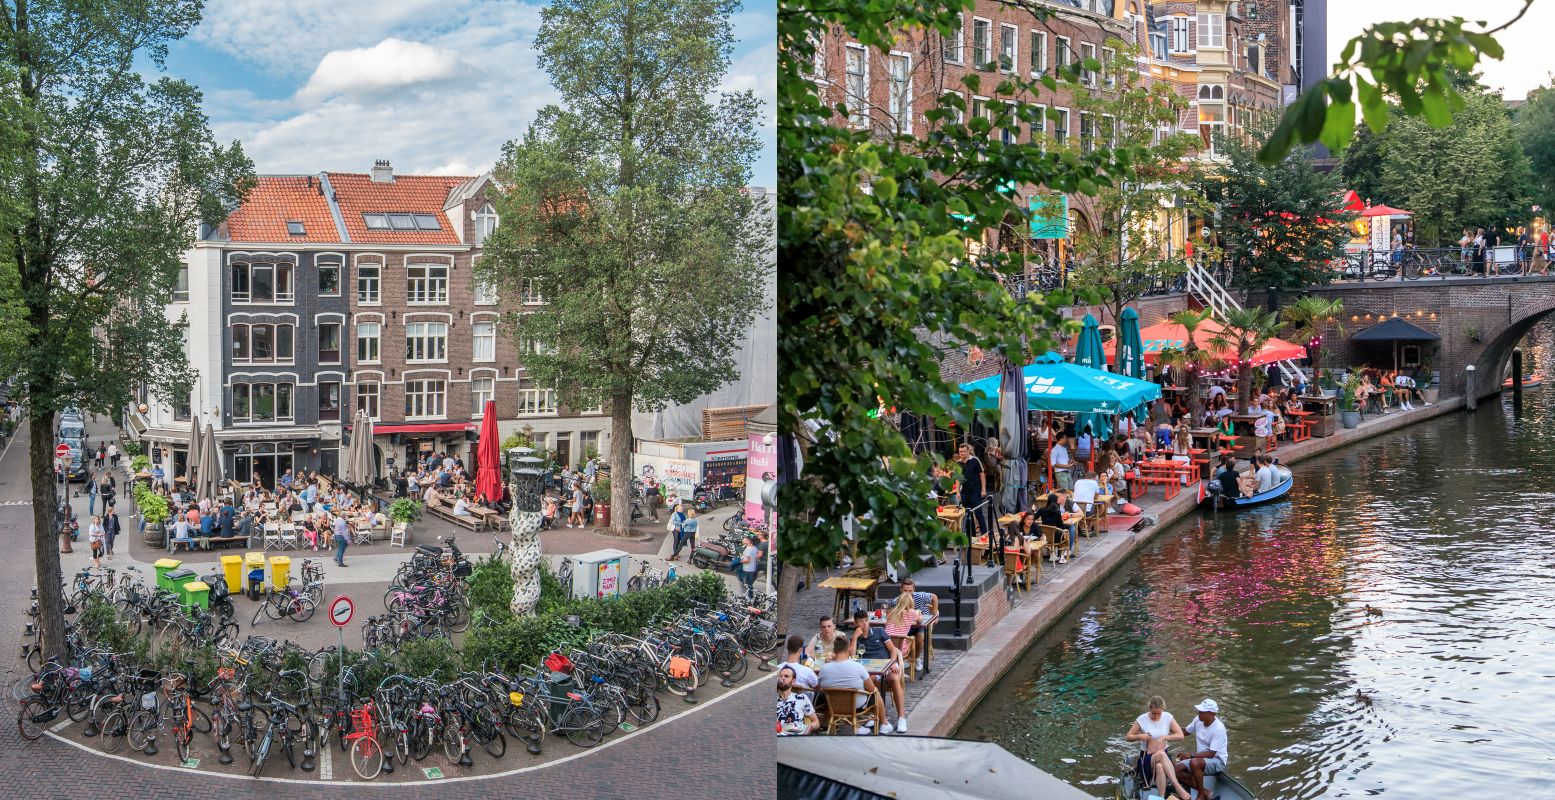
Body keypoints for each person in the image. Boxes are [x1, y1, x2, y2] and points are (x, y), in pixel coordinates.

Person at [850, 610, 908, 733]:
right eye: (861, 622)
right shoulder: (856, 638)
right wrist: (855, 637)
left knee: (894, 678)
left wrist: (892, 662)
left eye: (866, 620)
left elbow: (893, 650)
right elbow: (851, 656)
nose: (864, 624)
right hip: (870, 671)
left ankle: (902, 717)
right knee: (865, 682)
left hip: (886, 665)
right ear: (856, 623)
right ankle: (873, 714)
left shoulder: (879, 631)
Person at [1127, 696, 1189, 800]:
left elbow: (1180, 735)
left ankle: (1160, 797)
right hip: (1146, 758)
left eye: (1158, 714)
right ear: (1149, 709)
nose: (1156, 716)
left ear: (1163, 710)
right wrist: (1139, 736)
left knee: (1160, 765)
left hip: (1163, 756)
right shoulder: (1142, 719)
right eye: (1153, 713)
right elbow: (1128, 737)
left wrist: (1165, 737)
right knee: (1161, 754)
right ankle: (1177, 786)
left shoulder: (1168, 717)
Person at [815, 636, 881, 734]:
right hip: (857, 706)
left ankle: (835, 724)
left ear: (834, 649)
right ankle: (883, 723)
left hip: (833, 705)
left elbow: (818, 688)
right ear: (849, 649)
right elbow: (871, 689)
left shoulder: (824, 668)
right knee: (876, 692)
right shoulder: (858, 667)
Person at [1176, 699, 1229, 798]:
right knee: (1176, 768)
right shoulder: (1198, 719)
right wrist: (1170, 726)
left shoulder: (1219, 728)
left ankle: (1200, 796)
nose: (1199, 713)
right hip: (1200, 759)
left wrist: (1191, 755)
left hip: (1217, 760)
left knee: (1194, 762)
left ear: (1211, 714)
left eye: (1202, 712)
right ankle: (1205, 792)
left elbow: (1211, 754)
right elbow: (1186, 731)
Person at [776, 666, 820, 736]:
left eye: (786, 676)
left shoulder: (801, 698)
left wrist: (807, 729)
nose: (782, 678)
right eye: (780, 676)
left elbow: (816, 722)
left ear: (793, 681)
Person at [956, 443, 988, 538]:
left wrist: (983, 489)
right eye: (960, 452)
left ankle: (984, 535)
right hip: (965, 492)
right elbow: (958, 478)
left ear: (968, 451)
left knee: (978, 514)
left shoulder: (974, 460)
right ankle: (971, 536)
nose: (962, 453)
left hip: (975, 491)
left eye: (964, 451)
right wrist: (957, 491)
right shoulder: (958, 463)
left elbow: (982, 475)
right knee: (968, 515)